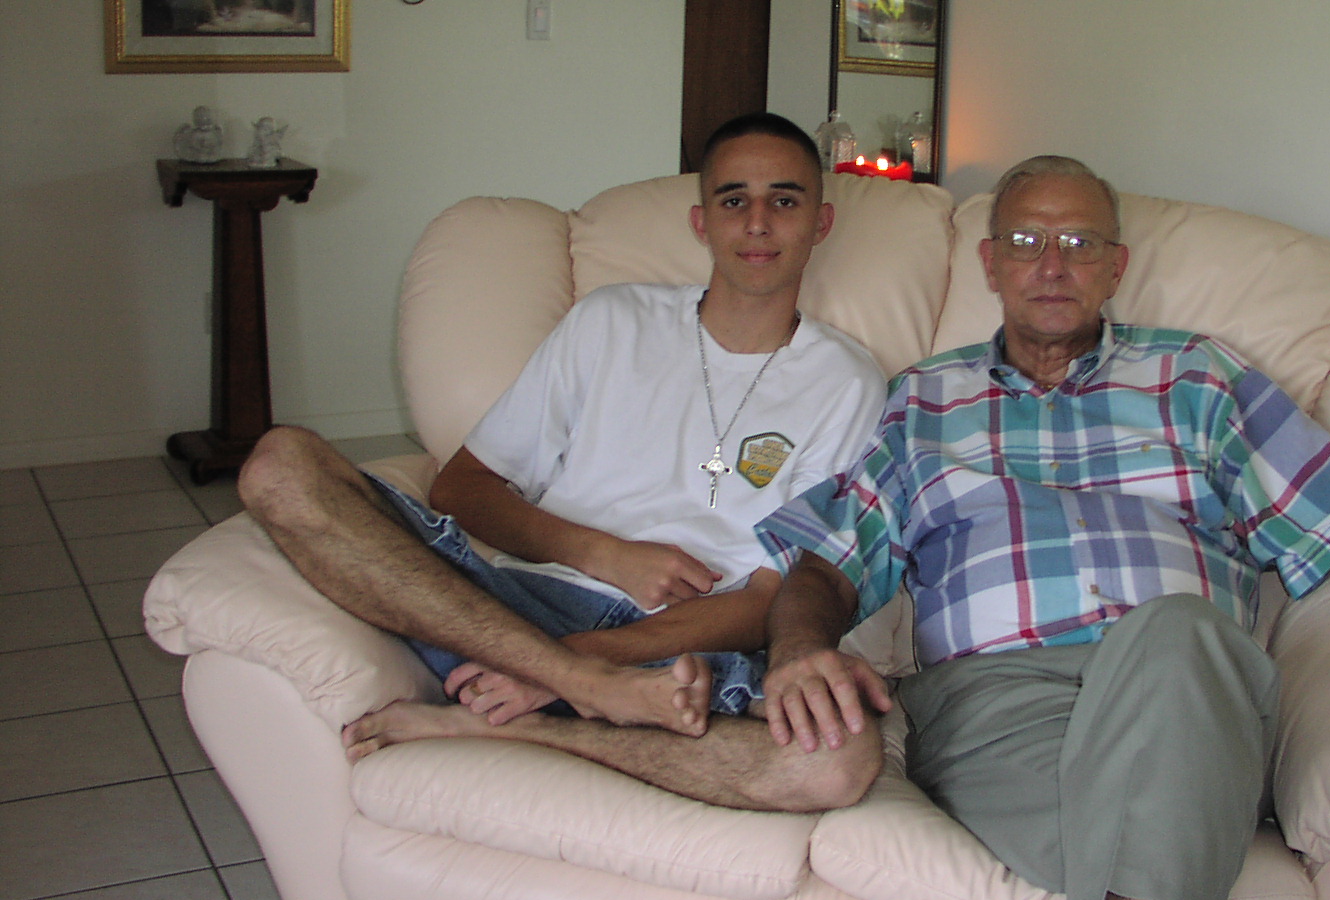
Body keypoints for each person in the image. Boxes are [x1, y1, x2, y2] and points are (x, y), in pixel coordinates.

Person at [749, 155, 1330, 900]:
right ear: (991, 263)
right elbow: (830, 562)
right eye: (1025, 241)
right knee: (1145, 842)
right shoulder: (923, 400)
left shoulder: (1198, 375)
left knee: (1175, 631)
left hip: (1185, 684)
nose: (1051, 265)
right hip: (992, 704)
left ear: (1116, 266)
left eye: (1079, 243)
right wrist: (799, 648)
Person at [238, 111, 885, 746]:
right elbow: (461, 488)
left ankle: (526, 705)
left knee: (836, 759)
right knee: (281, 465)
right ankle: (579, 694)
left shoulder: (847, 382)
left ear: (821, 223)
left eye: (785, 201)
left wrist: (589, 653)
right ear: (701, 222)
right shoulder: (611, 320)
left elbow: (775, 598)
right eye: (734, 200)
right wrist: (604, 556)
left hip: (679, 645)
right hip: (510, 606)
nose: (757, 223)